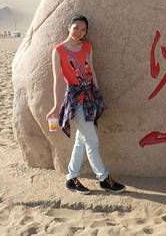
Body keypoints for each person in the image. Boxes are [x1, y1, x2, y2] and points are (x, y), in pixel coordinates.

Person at [46, 15, 125, 195]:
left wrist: (97, 94)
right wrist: (56, 106)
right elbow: (58, 81)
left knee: (81, 141)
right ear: (69, 27)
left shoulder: (88, 46)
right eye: (76, 28)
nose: (79, 32)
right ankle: (104, 179)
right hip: (75, 99)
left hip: (90, 96)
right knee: (92, 141)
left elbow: (92, 71)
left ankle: (71, 178)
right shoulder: (58, 51)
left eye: (83, 30)